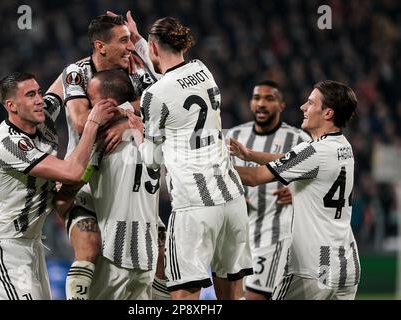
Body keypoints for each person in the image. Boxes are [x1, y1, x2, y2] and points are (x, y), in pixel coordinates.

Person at [130, 17, 253, 300]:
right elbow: (172, 82)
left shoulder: (154, 95)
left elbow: (151, 159)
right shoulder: (202, 70)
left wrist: (139, 133)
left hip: (194, 205)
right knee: (233, 292)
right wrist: (141, 44)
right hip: (232, 199)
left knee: (185, 296)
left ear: (153, 47)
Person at [0, 72, 116, 300]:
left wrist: (89, 62)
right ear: (11, 105)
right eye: (30, 95)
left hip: (33, 245)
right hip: (6, 249)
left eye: (38, 92)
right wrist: (92, 124)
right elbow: (72, 171)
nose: (40, 99)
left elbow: (64, 77)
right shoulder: (9, 145)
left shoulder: (42, 114)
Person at [53, 12, 165, 299]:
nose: (130, 47)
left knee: (161, 252)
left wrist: (125, 116)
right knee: (90, 245)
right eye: (123, 41)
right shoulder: (77, 72)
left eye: (130, 40)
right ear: (100, 46)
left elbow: (160, 103)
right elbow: (80, 121)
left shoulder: (136, 69)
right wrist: (128, 113)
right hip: (88, 173)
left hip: (126, 175)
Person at [230, 80, 360, 299]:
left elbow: (254, 177)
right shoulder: (343, 146)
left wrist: (211, 168)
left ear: (327, 113)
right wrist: (251, 154)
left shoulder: (314, 152)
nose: (302, 107)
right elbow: (293, 160)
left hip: (312, 267)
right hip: (346, 264)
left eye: (310, 103)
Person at [73, 69, 160, 299]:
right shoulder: (153, 135)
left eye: (91, 101)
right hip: (147, 256)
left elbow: (73, 177)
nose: (89, 108)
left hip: (117, 255)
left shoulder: (101, 143)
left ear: (106, 104)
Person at [227, 80, 310, 300]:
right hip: (237, 236)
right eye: (257, 98)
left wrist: (296, 193)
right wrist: (233, 196)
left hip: (274, 235)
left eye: (269, 98)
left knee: (255, 297)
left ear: (281, 106)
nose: (261, 103)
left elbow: (317, 180)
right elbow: (223, 175)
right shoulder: (234, 136)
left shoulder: (298, 140)